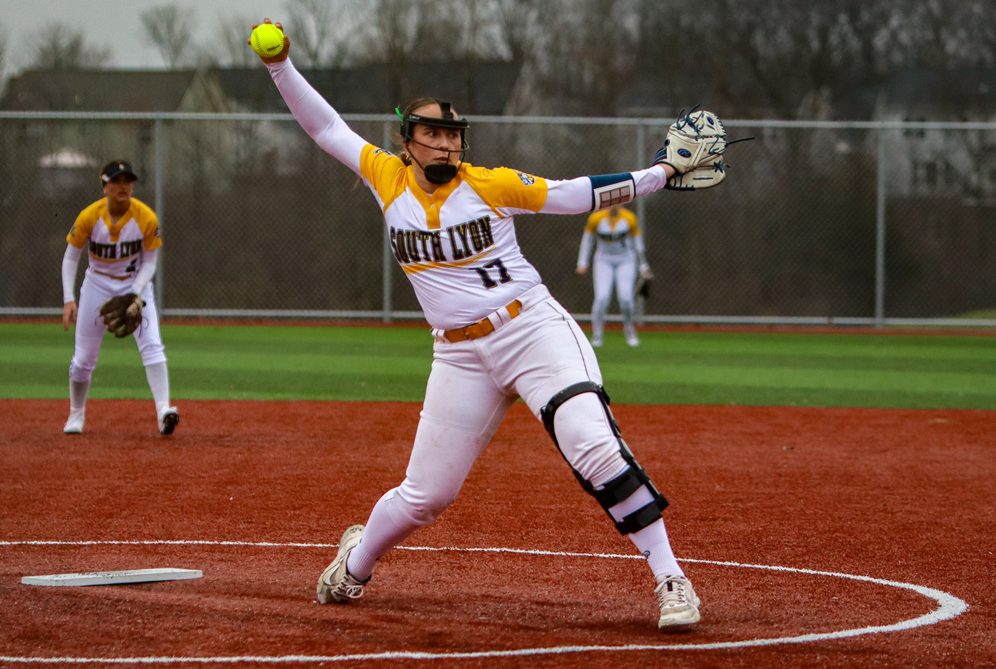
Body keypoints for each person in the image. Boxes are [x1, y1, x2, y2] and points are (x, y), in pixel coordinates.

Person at [254, 19, 701, 629]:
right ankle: (355, 563)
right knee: (426, 495)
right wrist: (279, 65)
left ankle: (671, 578)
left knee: (589, 443)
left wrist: (660, 174)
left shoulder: (488, 185)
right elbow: (326, 127)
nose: (445, 145)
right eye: (431, 134)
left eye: (453, 135)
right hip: (458, 356)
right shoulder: (386, 178)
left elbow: (573, 194)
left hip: (531, 331)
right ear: (406, 140)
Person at [61, 160, 179, 436]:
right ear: (104, 186)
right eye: (116, 181)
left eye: (128, 181)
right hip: (96, 285)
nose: (123, 186)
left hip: (135, 285)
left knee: (152, 346)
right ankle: (76, 414)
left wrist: (135, 291)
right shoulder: (90, 216)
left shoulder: (145, 216)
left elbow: (150, 261)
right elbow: (71, 257)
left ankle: (164, 411)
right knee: (83, 360)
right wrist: (69, 298)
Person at [576, 204, 650, 347]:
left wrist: (643, 264)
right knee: (602, 298)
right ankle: (597, 334)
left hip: (626, 259)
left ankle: (629, 329)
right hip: (603, 260)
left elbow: (638, 242)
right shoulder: (596, 218)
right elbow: (587, 240)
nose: (613, 204)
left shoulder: (629, 218)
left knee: (626, 298)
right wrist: (582, 262)